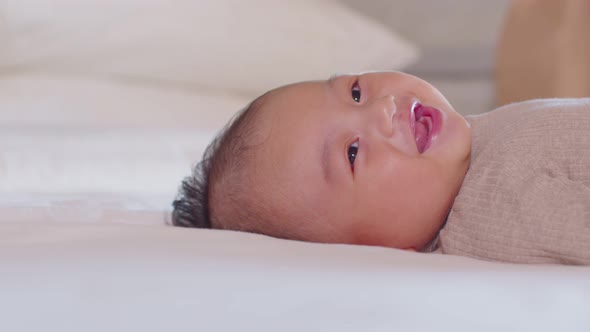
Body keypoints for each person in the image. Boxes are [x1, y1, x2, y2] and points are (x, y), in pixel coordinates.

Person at [171, 0, 590, 265]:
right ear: (376, 252)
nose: (382, 110)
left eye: (355, 92)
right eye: (351, 153)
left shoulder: (478, 151)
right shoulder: (493, 211)